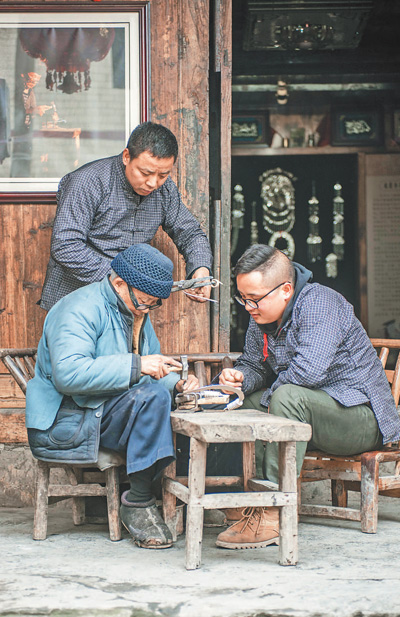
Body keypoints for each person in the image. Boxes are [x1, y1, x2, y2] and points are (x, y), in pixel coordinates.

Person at [216, 244, 400, 550]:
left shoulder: (320, 304)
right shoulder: (260, 312)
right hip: (313, 415)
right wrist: (238, 379)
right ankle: (245, 500)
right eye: (243, 299)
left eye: (255, 299)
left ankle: (273, 512)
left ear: (286, 290)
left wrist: (267, 405)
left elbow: (307, 373)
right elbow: (253, 364)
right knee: (236, 403)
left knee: (286, 397)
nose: (248, 307)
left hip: (361, 419)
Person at [26, 243, 199, 549]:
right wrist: (140, 366)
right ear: (120, 283)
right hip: (68, 418)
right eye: (145, 302)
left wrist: (177, 385)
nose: (147, 309)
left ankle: (184, 496)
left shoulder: (132, 309)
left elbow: (149, 362)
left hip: (100, 410)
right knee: (151, 399)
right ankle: (139, 501)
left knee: (172, 399)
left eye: (153, 305)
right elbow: (69, 376)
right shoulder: (78, 309)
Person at [40, 121, 213, 310]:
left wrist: (200, 268)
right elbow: (66, 245)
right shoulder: (87, 181)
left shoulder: (165, 190)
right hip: (75, 299)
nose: (153, 183)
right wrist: (123, 278)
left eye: (163, 175)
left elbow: (190, 233)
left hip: (130, 303)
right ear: (126, 156)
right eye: (145, 173)